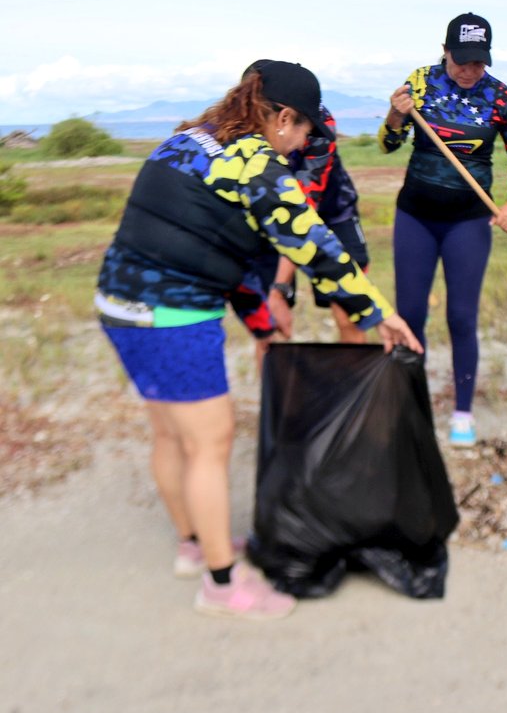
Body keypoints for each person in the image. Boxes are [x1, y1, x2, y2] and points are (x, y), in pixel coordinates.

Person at [95, 60, 422, 619]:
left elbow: (226, 250)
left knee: (171, 434)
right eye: (304, 133)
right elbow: (313, 244)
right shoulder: (256, 161)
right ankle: (223, 585)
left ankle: (195, 545)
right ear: (284, 117)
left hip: (118, 305)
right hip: (172, 317)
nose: (302, 146)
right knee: (210, 442)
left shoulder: (189, 140)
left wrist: (262, 325)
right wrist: (379, 314)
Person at [380, 12, 507, 447]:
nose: (469, 71)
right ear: (445, 51)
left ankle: (463, 412)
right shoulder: (420, 84)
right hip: (415, 216)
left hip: (468, 221)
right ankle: (412, 409)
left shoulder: (499, 95)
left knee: (461, 317)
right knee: (410, 316)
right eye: (461, 60)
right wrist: (396, 115)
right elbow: (390, 144)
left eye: (478, 62)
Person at [235, 61, 371, 350]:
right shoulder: (241, 129)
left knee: (351, 315)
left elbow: (302, 212)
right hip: (271, 218)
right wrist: (275, 295)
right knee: (267, 326)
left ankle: (352, 394)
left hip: (333, 214)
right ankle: (275, 394)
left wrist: (281, 287)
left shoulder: (320, 123)